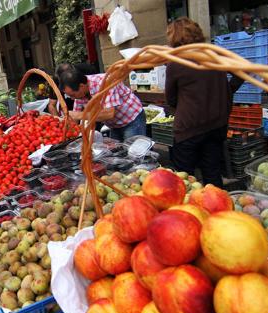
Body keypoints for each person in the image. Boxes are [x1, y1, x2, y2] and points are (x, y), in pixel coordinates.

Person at [165, 17, 243, 187]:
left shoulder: (176, 63)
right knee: (213, 174)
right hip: (216, 124)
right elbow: (242, 72)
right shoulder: (214, 54)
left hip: (189, 128)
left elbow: (170, 98)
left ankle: (188, 211)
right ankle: (216, 209)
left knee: (184, 179)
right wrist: (226, 92)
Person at [59, 68, 146, 141]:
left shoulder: (105, 82)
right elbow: (75, 118)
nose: (72, 98)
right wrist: (66, 132)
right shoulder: (80, 93)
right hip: (114, 124)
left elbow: (109, 113)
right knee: (119, 153)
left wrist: (80, 115)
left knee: (134, 154)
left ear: (81, 86)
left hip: (131, 119)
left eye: (73, 95)